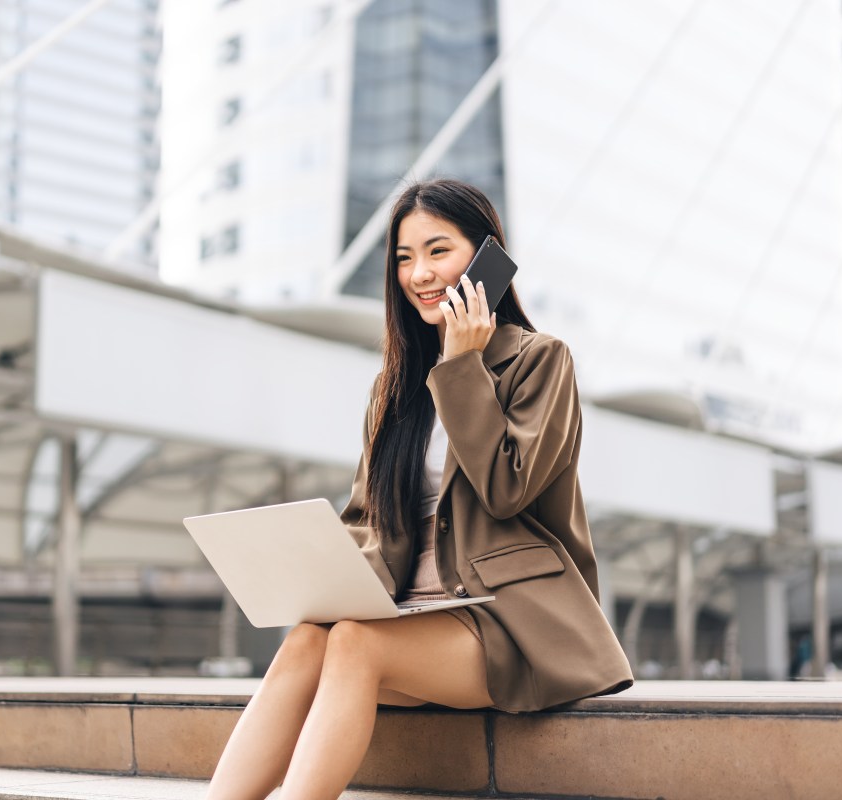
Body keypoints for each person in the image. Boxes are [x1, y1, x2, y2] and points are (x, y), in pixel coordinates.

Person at [205, 178, 633, 799]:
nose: (420, 274)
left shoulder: (541, 361)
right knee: (307, 641)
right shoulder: (394, 387)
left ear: (487, 258)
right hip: (408, 619)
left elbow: (507, 490)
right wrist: (321, 570)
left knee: (352, 642)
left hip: (507, 627)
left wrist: (462, 366)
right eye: (404, 258)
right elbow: (368, 517)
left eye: (439, 251)